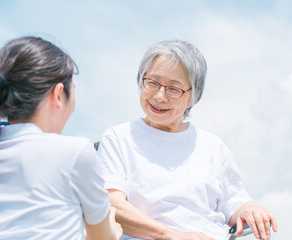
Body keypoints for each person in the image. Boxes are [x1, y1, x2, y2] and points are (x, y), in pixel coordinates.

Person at [98, 40, 278, 240]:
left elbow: (234, 201)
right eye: (152, 82)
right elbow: (110, 205)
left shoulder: (213, 148)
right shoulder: (118, 138)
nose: (159, 96)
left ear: (194, 96)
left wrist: (250, 209)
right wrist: (173, 235)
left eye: (173, 89)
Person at [0, 36, 123, 240]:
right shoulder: (74, 152)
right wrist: (114, 232)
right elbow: (102, 238)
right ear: (58, 94)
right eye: (73, 91)